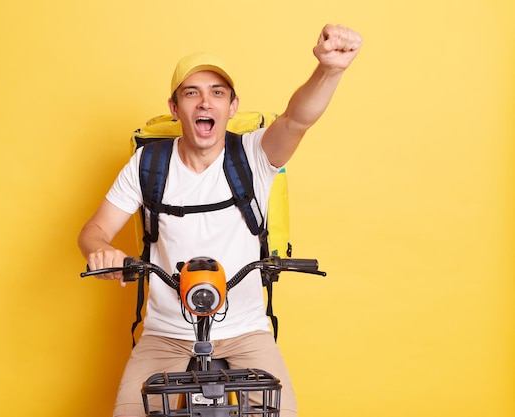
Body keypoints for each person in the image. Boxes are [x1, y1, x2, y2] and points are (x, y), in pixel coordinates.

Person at [78, 23, 362, 417]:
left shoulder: (254, 155)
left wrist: (330, 70)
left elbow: (297, 120)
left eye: (217, 93)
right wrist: (101, 252)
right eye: (191, 93)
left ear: (232, 106)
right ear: (175, 108)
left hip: (245, 332)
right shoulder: (149, 164)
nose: (205, 103)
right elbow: (93, 231)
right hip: (165, 334)